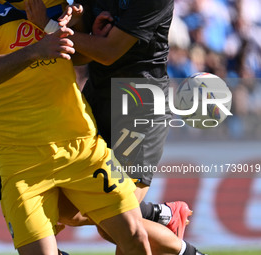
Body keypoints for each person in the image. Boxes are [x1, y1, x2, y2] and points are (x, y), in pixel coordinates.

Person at [0, 0, 153, 255]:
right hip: (21, 160)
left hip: (82, 144)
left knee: (136, 237)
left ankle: (172, 231)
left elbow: (75, 56)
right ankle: (166, 220)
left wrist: (78, 28)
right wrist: (35, 50)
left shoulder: (57, 2)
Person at [26, 0, 208, 254]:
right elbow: (80, 56)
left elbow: (109, 51)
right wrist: (73, 25)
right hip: (98, 99)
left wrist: (49, 27)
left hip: (140, 105)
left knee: (117, 225)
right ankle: (160, 214)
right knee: (65, 209)